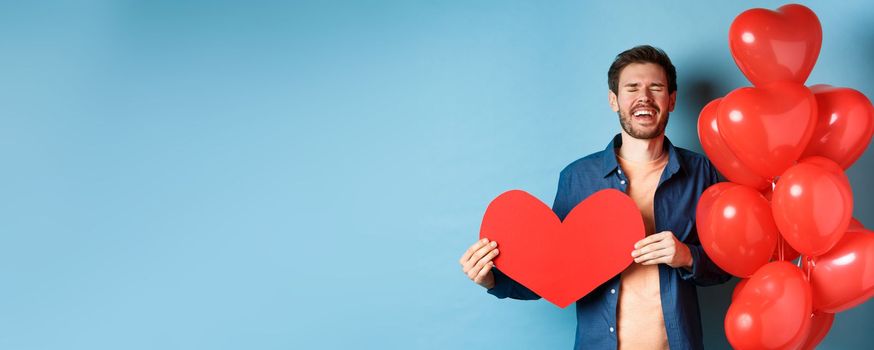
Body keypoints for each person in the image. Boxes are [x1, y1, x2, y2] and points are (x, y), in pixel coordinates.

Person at [458, 45, 731, 350]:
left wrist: (686, 256)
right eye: (632, 88)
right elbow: (551, 273)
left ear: (672, 100)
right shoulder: (577, 178)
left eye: (656, 87)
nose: (644, 97)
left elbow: (724, 266)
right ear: (614, 100)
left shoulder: (700, 172)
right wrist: (492, 280)